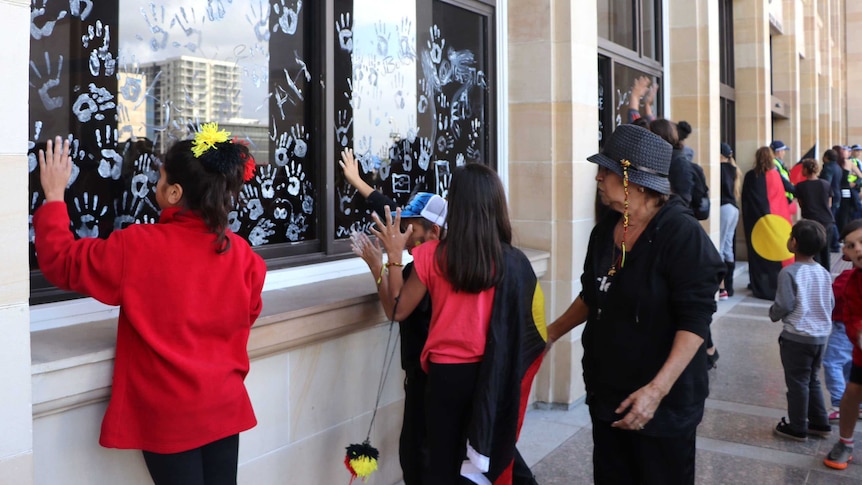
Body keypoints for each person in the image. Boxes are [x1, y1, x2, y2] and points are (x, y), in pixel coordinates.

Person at [33, 126, 267, 485]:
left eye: (159, 178)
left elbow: (62, 261)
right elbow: (246, 315)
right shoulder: (243, 256)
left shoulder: (139, 247)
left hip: (171, 418)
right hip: (224, 407)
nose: (153, 184)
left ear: (174, 193)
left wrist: (53, 196)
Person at [545, 124, 724, 484]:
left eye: (607, 170)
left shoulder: (682, 235)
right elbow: (593, 294)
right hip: (608, 394)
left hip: (662, 406)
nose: (597, 177)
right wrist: (548, 334)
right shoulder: (606, 229)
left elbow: (695, 321)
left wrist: (656, 391)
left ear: (637, 182)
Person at [370, 163, 546, 484]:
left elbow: (397, 310)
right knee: (481, 460)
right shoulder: (511, 261)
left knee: (442, 464)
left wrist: (394, 256)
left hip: (444, 377)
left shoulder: (432, 255)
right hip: (490, 376)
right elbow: (532, 329)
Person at [767, 220, 833, 441]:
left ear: (793, 242)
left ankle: (797, 427)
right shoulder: (823, 272)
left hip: (797, 337)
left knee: (797, 382)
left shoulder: (789, 272)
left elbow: (784, 304)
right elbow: (830, 302)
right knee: (812, 379)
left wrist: (773, 314)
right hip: (820, 337)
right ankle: (820, 422)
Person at [824, 219, 862, 470]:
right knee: (852, 393)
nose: (858, 248)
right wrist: (858, 334)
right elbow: (851, 316)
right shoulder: (852, 283)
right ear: (845, 254)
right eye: (851, 245)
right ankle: (845, 441)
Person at [742, 146, 795, 300]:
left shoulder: (751, 175)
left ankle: (759, 286)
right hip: (777, 220)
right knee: (776, 254)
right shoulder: (776, 174)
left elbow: (746, 199)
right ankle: (777, 286)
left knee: (758, 254)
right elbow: (791, 189)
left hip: (756, 222)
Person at [824, 265, 854, 423]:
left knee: (832, 362)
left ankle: (839, 404)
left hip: (845, 326)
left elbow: (832, 296)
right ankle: (857, 403)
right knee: (851, 364)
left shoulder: (849, 276)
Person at [794, 158, 836, 271]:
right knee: (825, 252)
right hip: (827, 221)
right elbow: (829, 204)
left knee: (813, 252)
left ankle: (815, 277)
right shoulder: (825, 184)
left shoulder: (801, 186)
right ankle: (826, 276)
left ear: (806, 170)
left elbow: (801, 204)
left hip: (811, 222)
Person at [719, 143, 741, 300]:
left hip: (723, 208)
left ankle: (721, 289)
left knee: (718, 247)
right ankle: (729, 287)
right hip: (733, 208)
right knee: (727, 246)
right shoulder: (733, 169)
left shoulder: (719, 168)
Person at [820, 149, 844, 251]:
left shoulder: (828, 168)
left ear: (826, 157)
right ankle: (835, 242)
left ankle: (835, 243)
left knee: (830, 220)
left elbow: (826, 184)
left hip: (831, 197)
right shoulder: (838, 167)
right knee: (831, 218)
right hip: (837, 195)